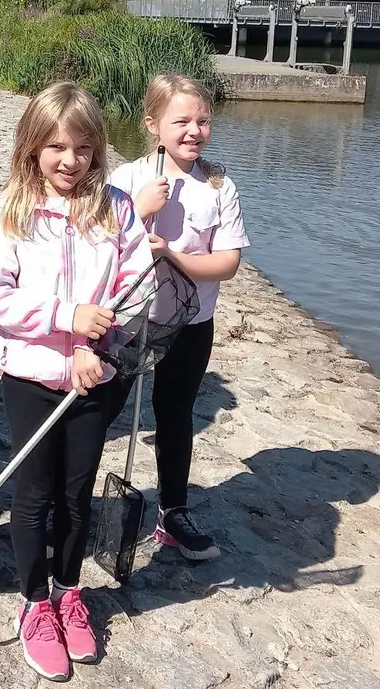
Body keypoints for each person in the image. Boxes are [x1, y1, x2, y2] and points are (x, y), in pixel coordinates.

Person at [0, 83, 153, 682]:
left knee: (77, 494)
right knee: (34, 495)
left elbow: (138, 286)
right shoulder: (11, 212)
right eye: (55, 147)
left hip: (94, 376)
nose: (69, 160)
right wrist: (65, 319)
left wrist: (97, 345)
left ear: (97, 148)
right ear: (32, 146)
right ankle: (35, 604)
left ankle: (69, 590)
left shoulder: (116, 208)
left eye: (82, 147)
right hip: (31, 376)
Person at [108, 74, 248, 560]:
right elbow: (99, 242)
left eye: (203, 121)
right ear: (153, 124)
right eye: (181, 121)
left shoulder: (219, 186)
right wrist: (136, 211)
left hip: (190, 323)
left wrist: (171, 255)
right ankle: (71, 504)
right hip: (128, 320)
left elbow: (227, 263)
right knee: (102, 409)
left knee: (175, 413)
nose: (194, 131)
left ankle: (173, 510)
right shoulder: (128, 179)